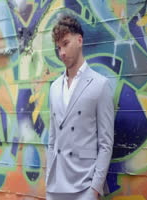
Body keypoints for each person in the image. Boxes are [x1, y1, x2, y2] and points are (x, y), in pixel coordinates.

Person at [46, 15, 114, 200]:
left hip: (85, 186)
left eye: (66, 44)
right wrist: (48, 179)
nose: (62, 53)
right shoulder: (53, 88)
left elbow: (106, 144)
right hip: (55, 186)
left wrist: (95, 188)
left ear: (79, 40)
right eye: (58, 47)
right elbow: (52, 140)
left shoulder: (100, 85)